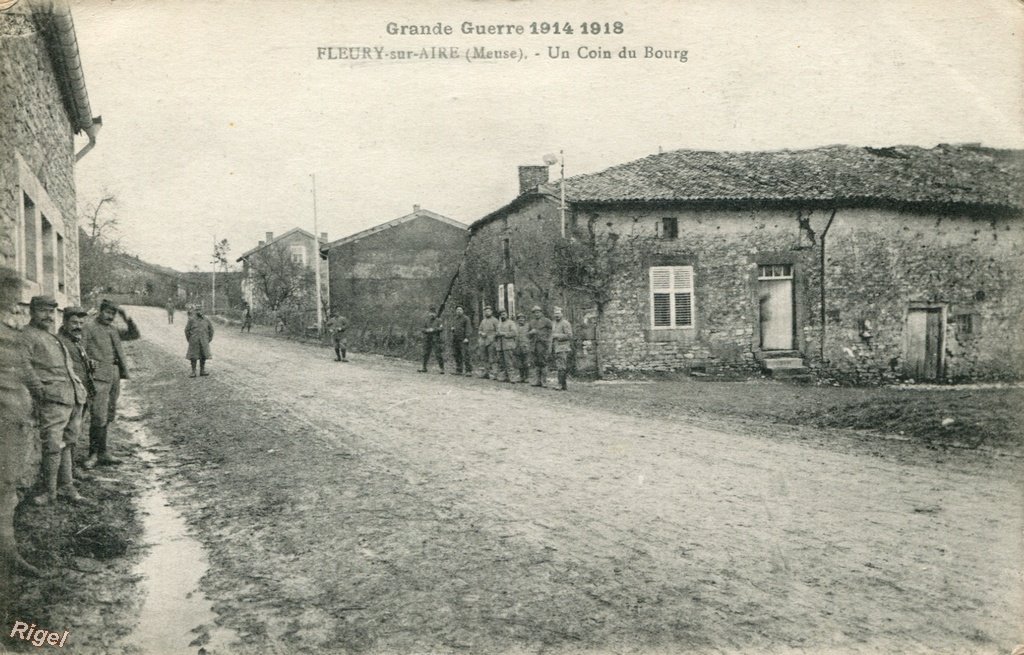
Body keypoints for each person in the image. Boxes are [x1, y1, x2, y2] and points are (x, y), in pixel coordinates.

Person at [20, 296, 88, 504]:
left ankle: (66, 486)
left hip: (71, 397)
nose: (48, 316)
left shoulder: (51, 336)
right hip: (52, 399)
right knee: (52, 445)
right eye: (43, 311)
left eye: (51, 312)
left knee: (67, 443)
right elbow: (24, 366)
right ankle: (49, 492)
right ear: (32, 311)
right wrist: (40, 391)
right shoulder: (26, 336)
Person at [0, 269, 44, 576]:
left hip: (14, 419)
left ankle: (8, 551)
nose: (19, 299)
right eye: (14, 290)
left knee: (8, 485)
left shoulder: (11, 327)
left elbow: (23, 367)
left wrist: (39, 392)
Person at [82, 299, 139, 468]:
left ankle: (103, 452)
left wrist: (126, 317)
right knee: (98, 415)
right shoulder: (89, 327)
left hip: (114, 375)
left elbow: (134, 334)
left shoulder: (113, 329)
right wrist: (89, 370)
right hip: (98, 376)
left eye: (113, 313)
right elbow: (82, 350)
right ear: (100, 311)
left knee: (108, 413)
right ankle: (92, 455)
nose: (110, 316)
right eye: (107, 312)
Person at [56, 306, 95, 476]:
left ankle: (70, 469)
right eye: (74, 322)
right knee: (68, 435)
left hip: (81, 393)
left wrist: (90, 364)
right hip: (69, 394)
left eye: (80, 322)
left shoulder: (76, 340)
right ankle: (67, 472)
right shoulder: (60, 342)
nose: (78, 326)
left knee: (75, 433)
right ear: (64, 322)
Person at [527, 305, 553, 387]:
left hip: (543, 344)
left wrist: (547, 340)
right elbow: (527, 335)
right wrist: (530, 333)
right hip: (534, 345)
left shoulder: (547, 321)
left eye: (538, 312)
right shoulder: (531, 322)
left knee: (543, 362)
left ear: (541, 312)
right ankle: (537, 381)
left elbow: (551, 332)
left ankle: (544, 381)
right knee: (536, 363)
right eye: (534, 313)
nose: (536, 314)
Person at [185, 307, 215, 377]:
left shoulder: (206, 320)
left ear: (203, 311)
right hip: (194, 340)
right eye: (197, 310)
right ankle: (193, 372)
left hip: (204, 340)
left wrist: (208, 339)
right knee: (193, 356)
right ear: (195, 311)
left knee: (203, 355)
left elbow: (211, 330)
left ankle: (202, 371)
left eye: (200, 310)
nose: (199, 312)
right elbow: (186, 331)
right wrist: (190, 339)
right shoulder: (191, 320)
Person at [551, 307, 574, 391]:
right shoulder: (553, 323)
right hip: (556, 347)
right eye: (555, 314)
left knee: (561, 367)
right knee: (559, 366)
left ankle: (560, 384)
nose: (557, 315)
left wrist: (557, 336)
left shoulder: (565, 323)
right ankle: (563, 385)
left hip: (563, 347)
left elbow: (569, 335)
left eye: (558, 313)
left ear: (562, 314)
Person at [418, 306, 444, 373]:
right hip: (427, 339)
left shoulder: (439, 320)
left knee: (438, 354)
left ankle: (442, 368)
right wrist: (427, 330)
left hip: (436, 339)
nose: (432, 314)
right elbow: (422, 329)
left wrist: (433, 329)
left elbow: (441, 329)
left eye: (433, 313)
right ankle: (424, 367)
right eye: (430, 313)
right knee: (425, 353)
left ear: (435, 313)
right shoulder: (426, 320)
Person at [476, 306, 499, 379]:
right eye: (485, 311)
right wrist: (481, 333)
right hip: (483, 341)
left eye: (488, 311)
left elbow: (498, 331)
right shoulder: (483, 321)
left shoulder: (495, 320)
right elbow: (479, 330)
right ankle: (486, 372)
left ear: (491, 312)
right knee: (484, 357)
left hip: (492, 341)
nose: (487, 312)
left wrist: (492, 337)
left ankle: (494, 373)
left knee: (492, 358)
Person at [449, 305, 472, 376]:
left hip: (463, 339)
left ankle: (468, 370)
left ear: (463, 311)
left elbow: (468, 328)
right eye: (457, 310)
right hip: (455, 339)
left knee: (465, 354)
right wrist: (452, 329)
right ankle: (459, 370)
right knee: (457, 354)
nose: (458, 311)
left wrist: (467, 337)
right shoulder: (455, 319)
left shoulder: (466, 318)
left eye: (460, 310)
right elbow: (453, 327)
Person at [495, 309, 517, 382]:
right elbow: (496, 333)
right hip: (500, 346)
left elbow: (514, 333)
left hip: (508, 345)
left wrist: (504, 334)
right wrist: (497, 334)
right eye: (501, 314)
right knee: (501, 362)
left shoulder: (511, 323)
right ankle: (503, 376)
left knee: (509, 362)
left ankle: (512, 377)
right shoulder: (499, 324)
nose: (502, 316)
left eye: (504, 314)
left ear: (507, 315)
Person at [512, 313, 531, 383]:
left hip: (526, 346)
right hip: (517, 346)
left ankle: (527, 377)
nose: (521, 320)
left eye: (522, 318)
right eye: (519, 318)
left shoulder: (528, 326)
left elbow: (532, 335)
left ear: (525, 319)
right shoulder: (515, 327)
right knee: (519, 363)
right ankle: (521, 376)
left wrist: (529, 344)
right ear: (517, 320)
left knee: (526, 362)